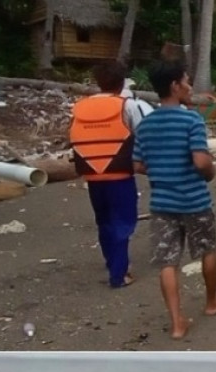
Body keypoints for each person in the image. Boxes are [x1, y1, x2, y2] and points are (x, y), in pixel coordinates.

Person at [134, 59, 216, 340]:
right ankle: (212, 302)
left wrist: (161, 167)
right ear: (175, 86)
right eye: (186, 81)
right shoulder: (192, 119)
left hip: (162, 203)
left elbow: (137, 165)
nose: (190, 86)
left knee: (168, 262)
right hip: (194, 199)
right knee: (207, 250)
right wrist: (210, 172)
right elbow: (201, 161)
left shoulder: (146, 123)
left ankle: (177, 323)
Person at [69, 60, 149, 289]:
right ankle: (119, 274)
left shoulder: (80, 106)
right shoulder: (127, 105)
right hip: (120, 174)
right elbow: (142, 134)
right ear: (123, 82)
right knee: (123, 222)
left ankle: (111, 261)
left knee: (103, 220)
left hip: (92, 175)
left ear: (97, 82)